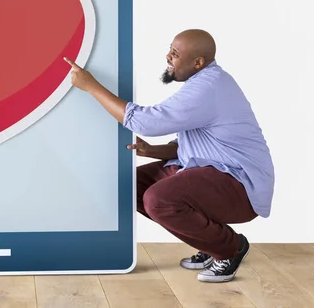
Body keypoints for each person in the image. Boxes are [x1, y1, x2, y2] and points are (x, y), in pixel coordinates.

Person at [64, 29, 274, 283]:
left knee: (158, 199)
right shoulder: (205, 81)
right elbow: (197, 146)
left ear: (198, 62)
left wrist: (91, 86)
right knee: (129, 186)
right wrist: (152, 151)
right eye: (170, 49)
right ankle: (211, 242)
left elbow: (145, 122)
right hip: (212, 171)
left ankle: (229, 249)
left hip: (241, 186)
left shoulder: (208, 87)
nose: (168, 56)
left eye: (175, 54)